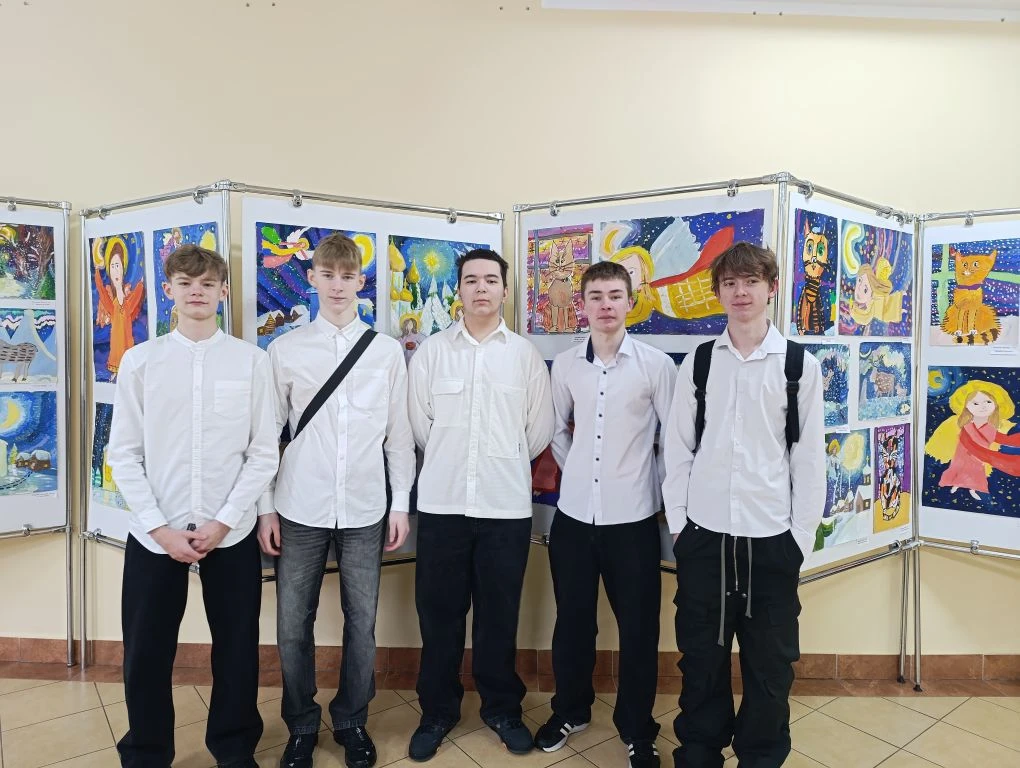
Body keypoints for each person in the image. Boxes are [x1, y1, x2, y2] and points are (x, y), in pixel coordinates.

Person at [108, 244, 279, 768]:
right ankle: (146, 752)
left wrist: (224, 521)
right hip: (154, 532)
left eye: (207, 284)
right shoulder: (141, 362)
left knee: (237, 647)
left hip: (230, 530)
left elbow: (263, 451)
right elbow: (124, 454)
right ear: (169, 291)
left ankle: (234, 748)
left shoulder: (251, 361)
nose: (197, 292)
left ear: (223, 291)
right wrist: (159, 529)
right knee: (146, 650)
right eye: (185, 283)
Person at [662, 242, 825, 768]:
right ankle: (700, 750)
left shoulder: (799, 366)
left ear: (771, 287)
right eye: (730, 283)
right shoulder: (700, 361)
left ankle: (760, 755)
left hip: (771, 538)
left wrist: (799, 539)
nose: (740, 292)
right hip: (705, 536)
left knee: (770, 663)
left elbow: (809, 459)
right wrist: (681, 526)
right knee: (701, 659)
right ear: (718, 292)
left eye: (751, 281)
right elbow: (678, 449)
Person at [258, 233, 416, 768]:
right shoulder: (285, 350)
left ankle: (351, 720)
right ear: (313, 278)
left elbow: (398, 435)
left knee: (362, 620)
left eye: (348, 276)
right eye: (328, 275)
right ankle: (301, 725)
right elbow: (266, 437)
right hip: (298, 505)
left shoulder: (386, 351)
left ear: (361, 282)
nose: (338, 285)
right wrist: (265, 507)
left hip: (366, 508)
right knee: (292, 623)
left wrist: (400, 504)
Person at [406, 248, 554, 761]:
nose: (481, 288)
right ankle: (437, 711)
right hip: (443, 505)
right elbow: (420, 426)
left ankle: (502, 709)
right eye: (471, 280)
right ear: (460, 290)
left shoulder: (525, 356)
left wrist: (501, 460)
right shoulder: (432, 353)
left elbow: (538, 432)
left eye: (491, 280)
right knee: (439, 616)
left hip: (504, 509)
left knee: (498, 616)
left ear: (505, 290)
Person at [537, 260, 676, 768]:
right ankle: (570, 710)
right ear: (582, 304)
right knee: (572, 623)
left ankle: (637, 728)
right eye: (595, 296)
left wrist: (655, 493)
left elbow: (674, 440)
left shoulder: (656, 366)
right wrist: (579, 470)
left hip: (633, 519)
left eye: (615, 295)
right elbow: (554, 429)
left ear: (630, 301)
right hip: (574, 518)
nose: (605, 305)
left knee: (638, 630)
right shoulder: (566, 365)